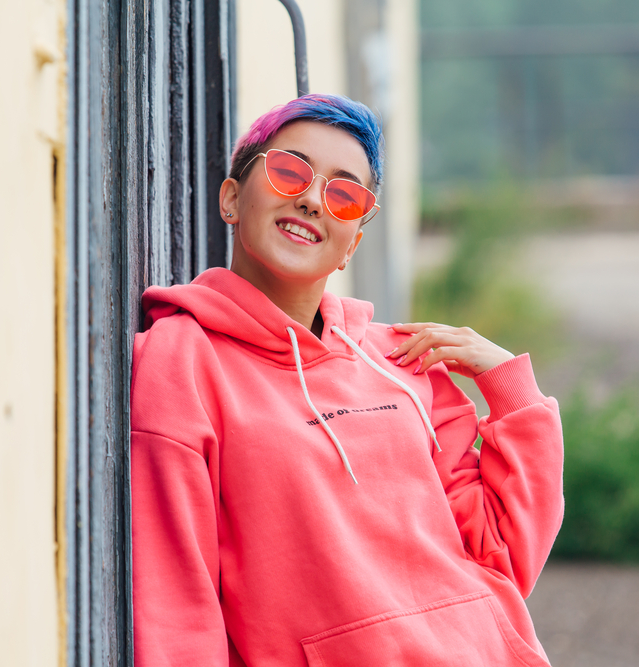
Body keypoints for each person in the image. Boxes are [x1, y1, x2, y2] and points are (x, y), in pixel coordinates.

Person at [130, 93, 563, 666]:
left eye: (344, 193)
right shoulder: (181, 362)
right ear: (232, 198)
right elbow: (176, 601)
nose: (312, 200)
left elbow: (504, 557)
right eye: (289, 172)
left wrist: (510, 390)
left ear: (353, 240)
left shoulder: (403, 362)